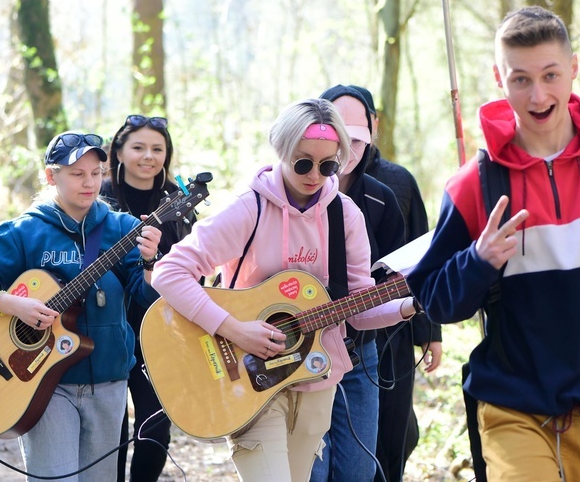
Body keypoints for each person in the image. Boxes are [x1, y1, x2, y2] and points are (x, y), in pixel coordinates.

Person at [407, 6, 580, 481]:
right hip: (512, 404)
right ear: (498, 78)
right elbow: (433, 297)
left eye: (551, 75)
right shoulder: (474, 185)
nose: (538, 95)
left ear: (573, 69)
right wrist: (477, 260)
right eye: (520, 79)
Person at [151, 98, 420, 482]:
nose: (315, 175)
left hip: (315, 378)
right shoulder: (249, 208)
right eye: (303, 162)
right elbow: (170, 271)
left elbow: (357, 307)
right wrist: (234, 327)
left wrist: (407, 307)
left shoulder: (345, 215)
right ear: (281, 151)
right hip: (246, 374)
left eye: (328, 165)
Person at [0, 131, 162, 481]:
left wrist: (151, 263)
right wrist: (13, 305)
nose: (89, 183)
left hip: (109, 380)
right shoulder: (23, 232)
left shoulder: (122, 227)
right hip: (43, 383)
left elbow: (146, 297)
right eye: (77, 174)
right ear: (51, 176)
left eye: (96, 173)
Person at [309, 85, 407, 481]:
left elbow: (401, 271)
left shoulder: (383, 198)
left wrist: (419, 319)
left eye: (358, 138)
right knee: (311, 469)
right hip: (299, 354)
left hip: (361, 349)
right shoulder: (281, 196)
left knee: (357, 470)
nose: (348, 148)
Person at [351, 84, 443, 482]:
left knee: (397, 430)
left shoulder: (397, 182)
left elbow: (426, 255)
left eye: (361, 122)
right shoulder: (316, 178)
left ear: (373, 124)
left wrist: (431, 332)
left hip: (396, 325)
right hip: (336, 325)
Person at [100, 114, 193, 482]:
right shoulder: (98, 195)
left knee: (155, 425)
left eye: (158, 149)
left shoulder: (178, 201)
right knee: (110, 427)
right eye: (138, 147)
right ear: (119, 152)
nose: (148, 156)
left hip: (158, 325)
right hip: (103, 324)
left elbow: (195, 264)